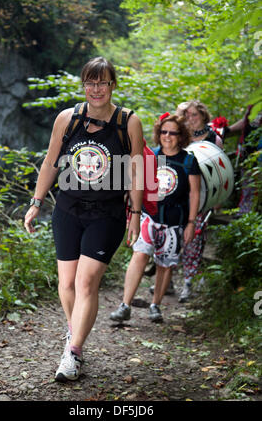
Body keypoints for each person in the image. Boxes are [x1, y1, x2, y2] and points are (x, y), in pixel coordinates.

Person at [24, 57, 144, 382]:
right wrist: (36, 203)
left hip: (107, 213)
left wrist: (135, 212)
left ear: (112, 85)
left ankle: (73, 353)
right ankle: (74, 332)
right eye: (90, 83)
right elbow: (50, 163)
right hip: (68, 209)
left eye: (102, 82)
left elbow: (136, 172)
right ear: (83, 85)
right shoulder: (68, 119)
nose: (96, 89)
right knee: (66, 284)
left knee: (86, 282)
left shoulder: (127, 121)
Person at [110, 113, 201, 323]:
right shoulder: (150, 155)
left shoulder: (188, 161)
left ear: (181, 135)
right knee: (140, 255)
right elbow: (136, 185)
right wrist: (131, 213)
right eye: (164, 131)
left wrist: (191, 222)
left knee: (164, 264)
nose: (167, 136)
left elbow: (194, 193)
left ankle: (155, 305)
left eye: (173, 132)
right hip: (148, 217)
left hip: (174, 221)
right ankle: (125, 305)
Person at [175, 100, 223, 302]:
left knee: (194, 238)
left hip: (203, 196)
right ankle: (165, 279)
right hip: (179, 195)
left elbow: (221, 172)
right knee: (173, 235)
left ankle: (188, 282)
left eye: (194, 115)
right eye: (187, 115)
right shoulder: (181, 137)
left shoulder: (214, 139)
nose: (191, 119)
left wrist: (218, 198)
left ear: (203, 115)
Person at [225, 104, 261, 214]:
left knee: (256, 182)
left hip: (259, 150)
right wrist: (227, 130)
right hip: (247, 149)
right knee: (247, 181)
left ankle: (250, 212)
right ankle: (245, 211)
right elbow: (245, 122)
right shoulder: (254, 105)